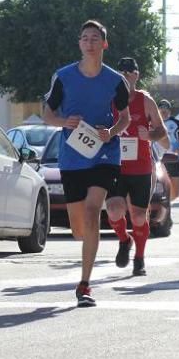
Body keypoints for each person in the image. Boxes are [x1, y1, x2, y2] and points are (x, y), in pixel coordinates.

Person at [43, 20, 131, 307]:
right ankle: (96, 249)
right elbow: (47, 114)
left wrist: (112, 132)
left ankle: (84, 284)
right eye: (85, 38)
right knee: (79, 228)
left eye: (95, 38)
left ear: (103, 44)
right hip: (72, 157)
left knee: (93, 212)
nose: (89, 42)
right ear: (79, 44)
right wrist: (62, 121)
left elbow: (125, 118)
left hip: (105, 153)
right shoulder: (64, 76)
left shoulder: (115, 80)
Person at [106, 57, 167, 276]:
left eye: (129, 73)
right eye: (120, 73)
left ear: (136, 76)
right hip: (115, 166)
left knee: (139, 216)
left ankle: (139, 257)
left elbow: (162, 131)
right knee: (113, 210)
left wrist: (149, 134)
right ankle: (124, 239)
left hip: (141, 168)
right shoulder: (109, 100)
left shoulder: (145, 100)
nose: (125, 76)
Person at [156, 99, 179, 201]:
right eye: (161, 109)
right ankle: (164, 208)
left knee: (175, 192)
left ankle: (168, 203)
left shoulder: (176, 123)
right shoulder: (153, 123)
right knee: (159, 188)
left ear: (170, 111)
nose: (163, 111)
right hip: (159, 160)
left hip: (174, 158)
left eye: (166, 109)